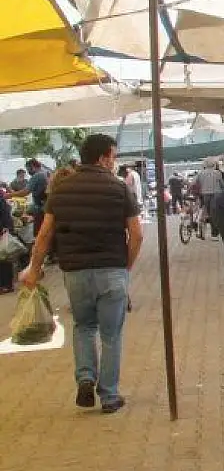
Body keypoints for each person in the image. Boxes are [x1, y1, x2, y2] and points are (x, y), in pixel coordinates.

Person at [20, 134, 142, 413]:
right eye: (113, 156)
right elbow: (136, 234)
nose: (114, 162)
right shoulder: (119, 188)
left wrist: (34, 269)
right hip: (112, 269)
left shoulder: (61, 189)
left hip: (75, 273)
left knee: (84, 327)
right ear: (102, 157)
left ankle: (85, 378)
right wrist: (126, 266)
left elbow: (44, 235)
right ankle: (109, 396)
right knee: (112, 335)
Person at [196, 159, 224, 237]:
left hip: (205, 195)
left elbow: (194, 183)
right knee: (215, 213)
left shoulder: (200, 173)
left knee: (209, 213)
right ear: (213, 165)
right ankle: (214, 233)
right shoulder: (217, 173)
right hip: (216, 195)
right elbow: (222, 184)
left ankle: (206, 229)